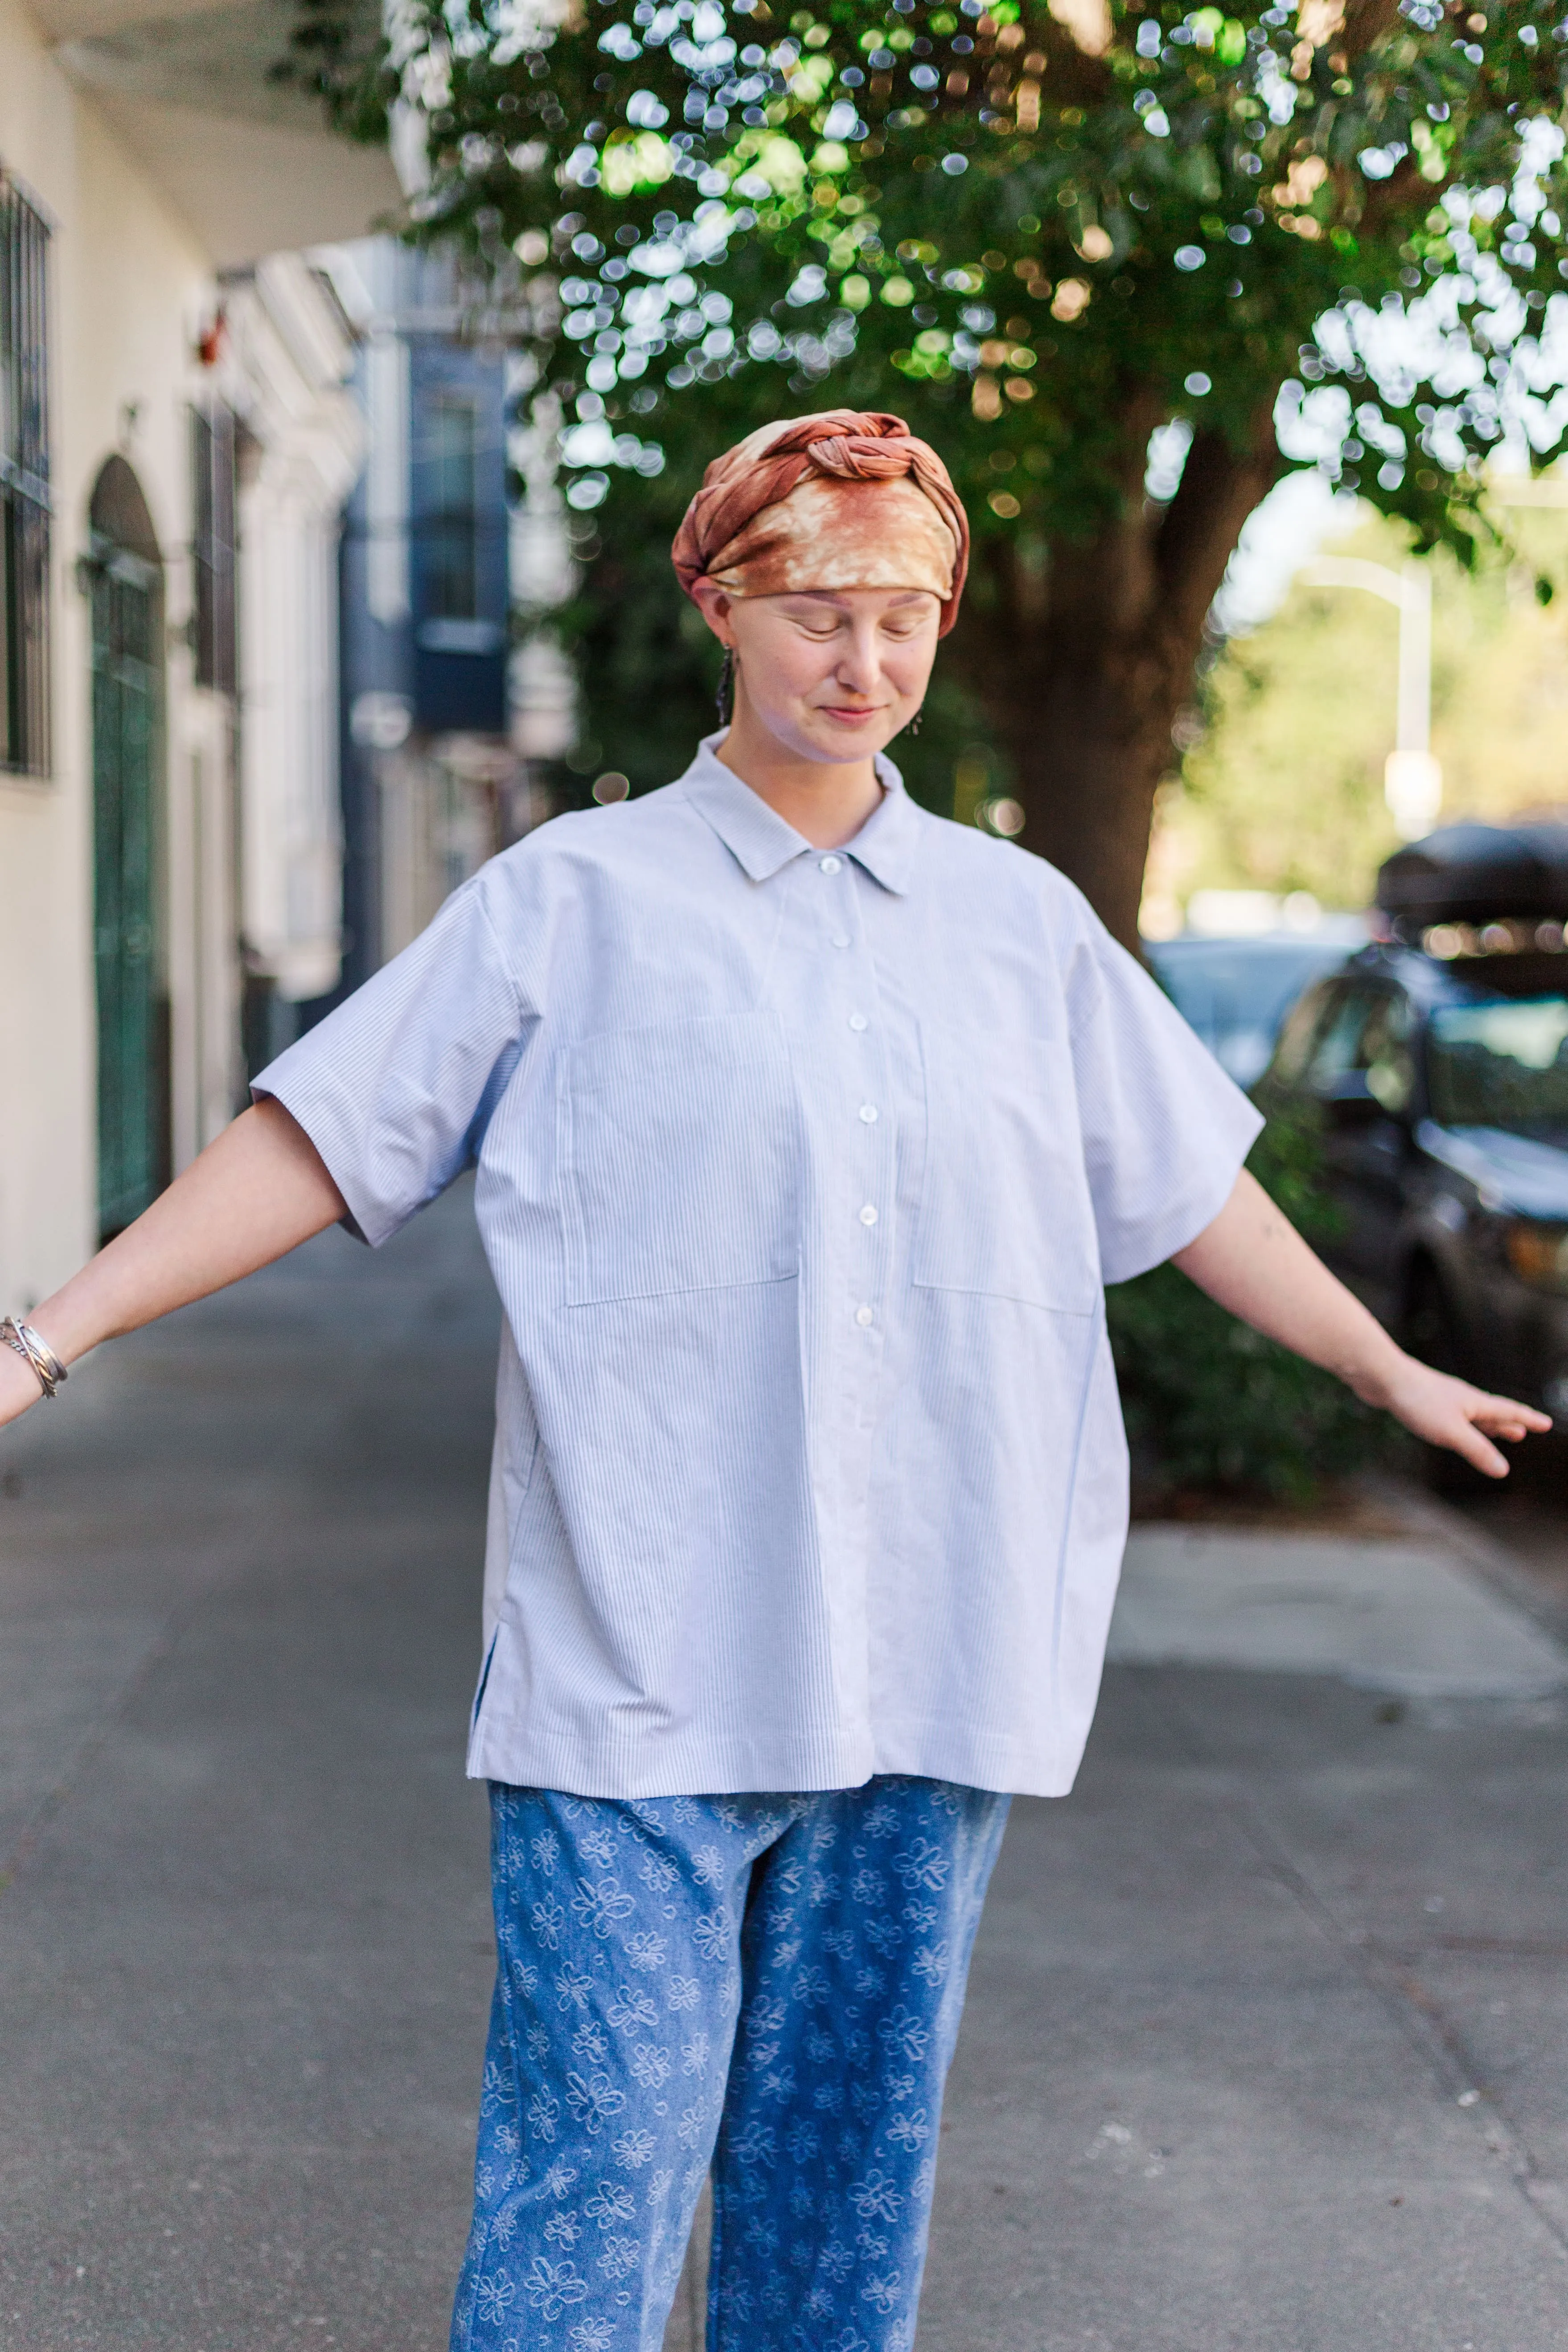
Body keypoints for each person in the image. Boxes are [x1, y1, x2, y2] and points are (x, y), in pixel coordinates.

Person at [0, 408, 1546, 2352]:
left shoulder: (1018, 925)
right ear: (721, 604)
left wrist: (1384, 1364)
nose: (863, 660)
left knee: (841, 2209)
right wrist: (46, 1337)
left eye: (904, 618)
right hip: (643, 1654)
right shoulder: (574, 898)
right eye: (818, 611)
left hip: (931, 1656)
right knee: (589, 2194)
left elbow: (1185, 1186)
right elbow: (321, 1136)